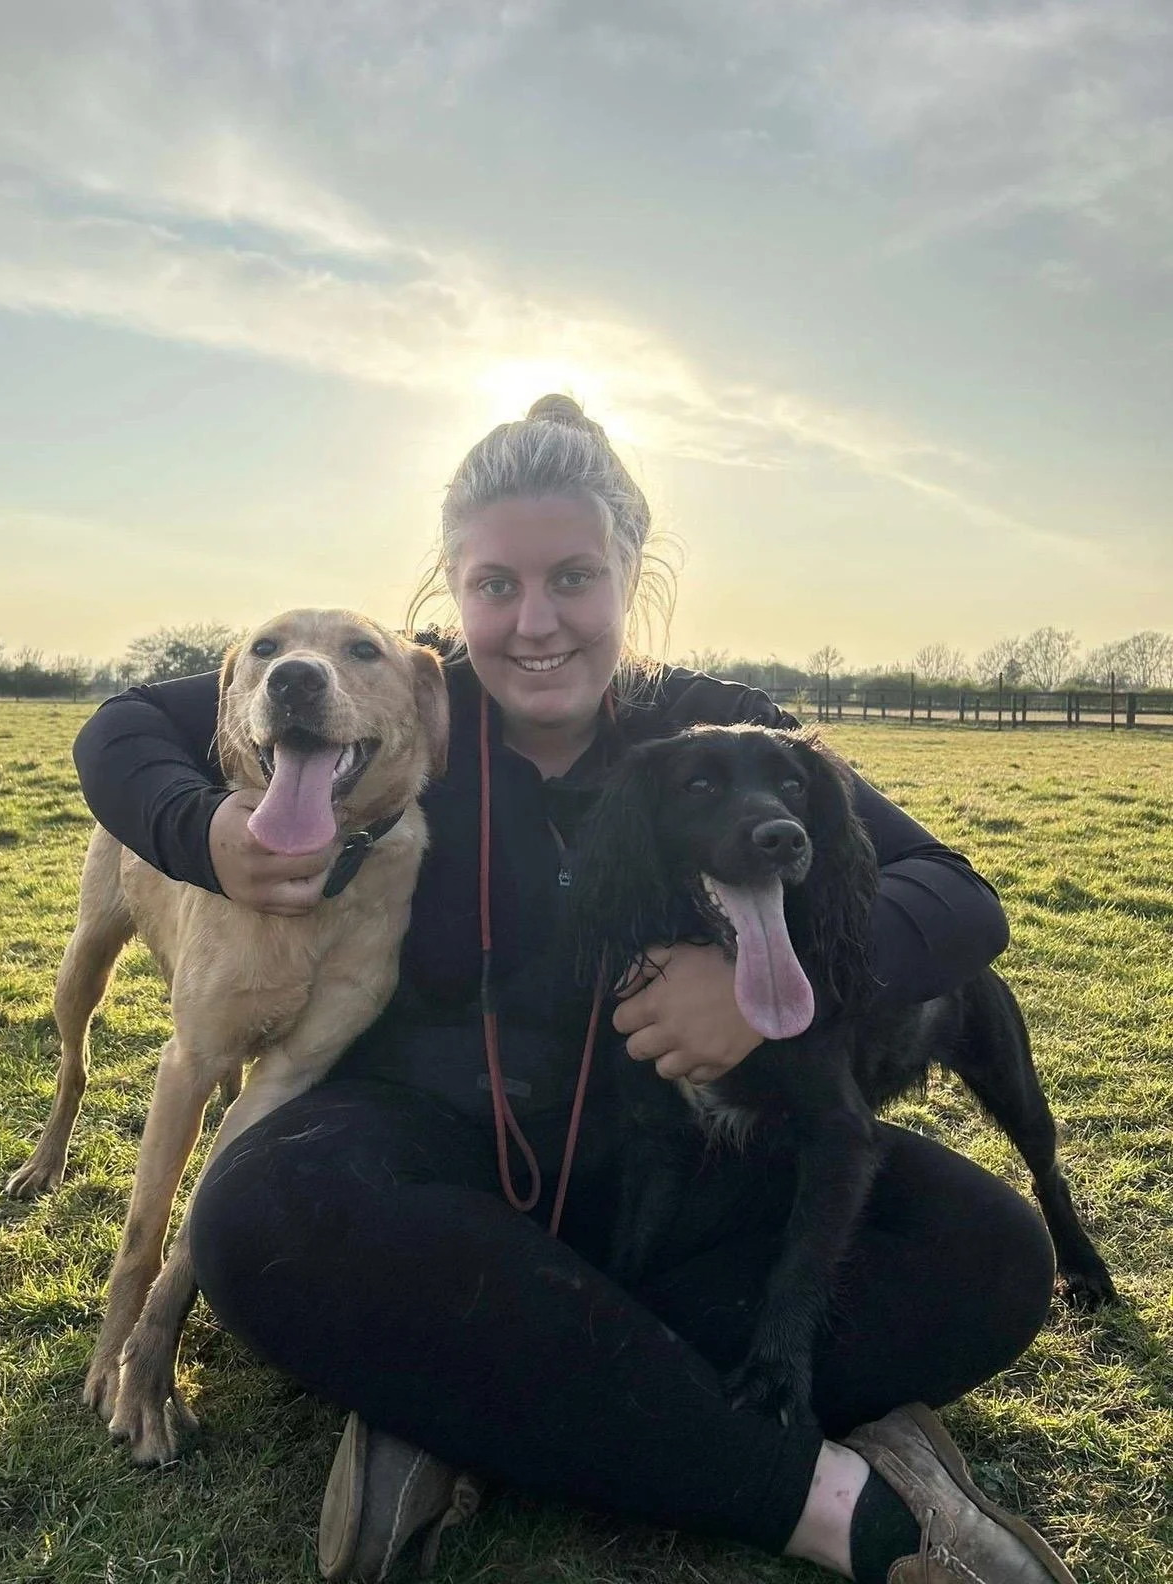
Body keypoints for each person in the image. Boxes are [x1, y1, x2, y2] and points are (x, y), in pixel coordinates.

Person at [73, 395, 1074, 1584]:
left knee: (989, 1252)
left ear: (632, 577)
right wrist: (201, 832)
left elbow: (955, 896)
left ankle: (457, 1410)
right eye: (495, 585)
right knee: (260, 1218)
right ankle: (825, 1497)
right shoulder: (400, 695)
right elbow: (125, 727)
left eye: (574, 580)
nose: (534, 624)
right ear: (452, 590)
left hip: (668, 1167)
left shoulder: (720, 725)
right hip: (424, 1149)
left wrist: (752, 995)